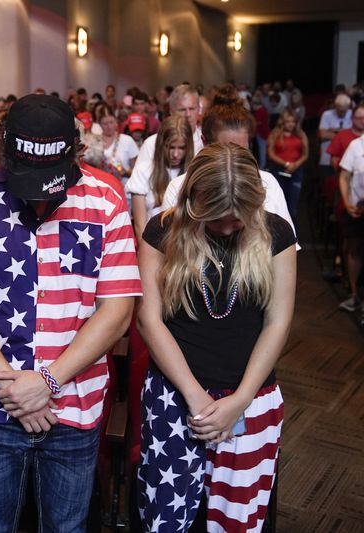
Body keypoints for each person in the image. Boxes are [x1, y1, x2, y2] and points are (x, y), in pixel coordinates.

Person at [0, 94, 140, 532]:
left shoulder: (106, 201)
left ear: (76, 152)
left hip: (76, 405)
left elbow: (118, 311)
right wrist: (18, 388)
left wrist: (47, 381)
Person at [136, 143, 296, 532]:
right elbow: (148, 320)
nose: (226, 227)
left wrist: (239, 400)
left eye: (236, 220)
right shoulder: (163, 230)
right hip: (175, 395)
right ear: (194, 201)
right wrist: (194, 395)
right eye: (216, 218)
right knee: (167, 519)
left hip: (250, 397)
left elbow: (278, 322)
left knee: (238, 521)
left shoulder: (276, 233)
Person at [162, 87, 296, 239]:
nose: (234, 158)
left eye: (242, 150)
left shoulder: (267, 183)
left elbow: (285, 248)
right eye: (224, 149)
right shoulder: (179, 188)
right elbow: (171, 248)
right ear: (205, 142)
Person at [126, 115, 194, 240]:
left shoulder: (194, 172)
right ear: (161, 145)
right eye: (171, 147)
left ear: (188, 147)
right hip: (150, 243)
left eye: (181, 148)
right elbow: (139, 225)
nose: (175, 154)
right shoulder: (143, 170)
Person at [130, 84, 203, 195]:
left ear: (199, 109)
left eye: (192, 108)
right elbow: (139, 185)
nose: (188, 114)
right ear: (171, 111)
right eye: (182, 110)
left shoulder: (205, 142)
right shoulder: (151, 144)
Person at [337, 133, 364, 322]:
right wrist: (347, 203)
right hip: (357, 208)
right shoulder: (356, 145)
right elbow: (344, 176)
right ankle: (355, 295)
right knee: (354, 250)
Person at [267, 109, 309, 223]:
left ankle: (292, 233)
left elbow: (305, 154)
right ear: (283, 122)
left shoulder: (301, 134)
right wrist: (285, 163)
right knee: (278, 202)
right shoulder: (275, 133)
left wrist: (295, 164)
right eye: (287, 121)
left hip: (296, 170)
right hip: (278, 169)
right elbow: (270, 153)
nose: (290, 124)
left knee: (292, 206)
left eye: (293, 121)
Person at [318, 93, 353, 180]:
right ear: (335, 106)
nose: (342, 113)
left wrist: (332, 131)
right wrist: (345, 134)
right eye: (340, 110)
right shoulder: (327, 115)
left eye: (344, 111)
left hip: (347, 158)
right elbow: (322, 135)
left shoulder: (353, 114)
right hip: (327, 157)